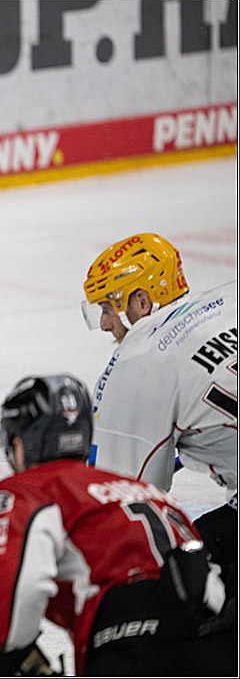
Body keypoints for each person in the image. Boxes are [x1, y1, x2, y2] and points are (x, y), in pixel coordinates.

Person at [0, 374, 235, 676]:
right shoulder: (144, 492)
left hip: (134, 644)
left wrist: (5, 651)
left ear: (21, 444)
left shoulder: (25, 489)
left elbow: (25, 582)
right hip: (220, 636)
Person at [80, 232, 237, 594]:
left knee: (173, 578)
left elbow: (125, 505)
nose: (104, 324)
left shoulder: (137, 361)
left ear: (141, 302)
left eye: (106, 308)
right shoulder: (230, 297)